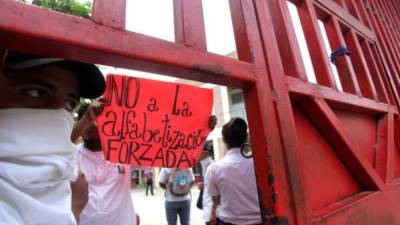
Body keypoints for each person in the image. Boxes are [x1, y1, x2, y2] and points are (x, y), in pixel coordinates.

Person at [0, 50, 105, 225]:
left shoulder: (59, 176)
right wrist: (73, 208)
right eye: (36, 93)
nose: (58, 115)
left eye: (69, 104)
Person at [72, 103, 140, 225]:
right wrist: (86, 119)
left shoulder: (125, 152)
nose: (94, 124)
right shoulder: (70, 155)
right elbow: (55, 149)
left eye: (100, 119)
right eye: (88, 120)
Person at [206, 117, 262, 225]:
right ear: (246, 138)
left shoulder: (214, 169)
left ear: (224, 140)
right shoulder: (259, 164)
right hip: (260, 221)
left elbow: (216, 200)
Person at [197, 144, 215, 225]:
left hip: (212, 213)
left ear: (203, 152)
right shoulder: (205, 165)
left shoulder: (211, 166)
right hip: (210, 211)